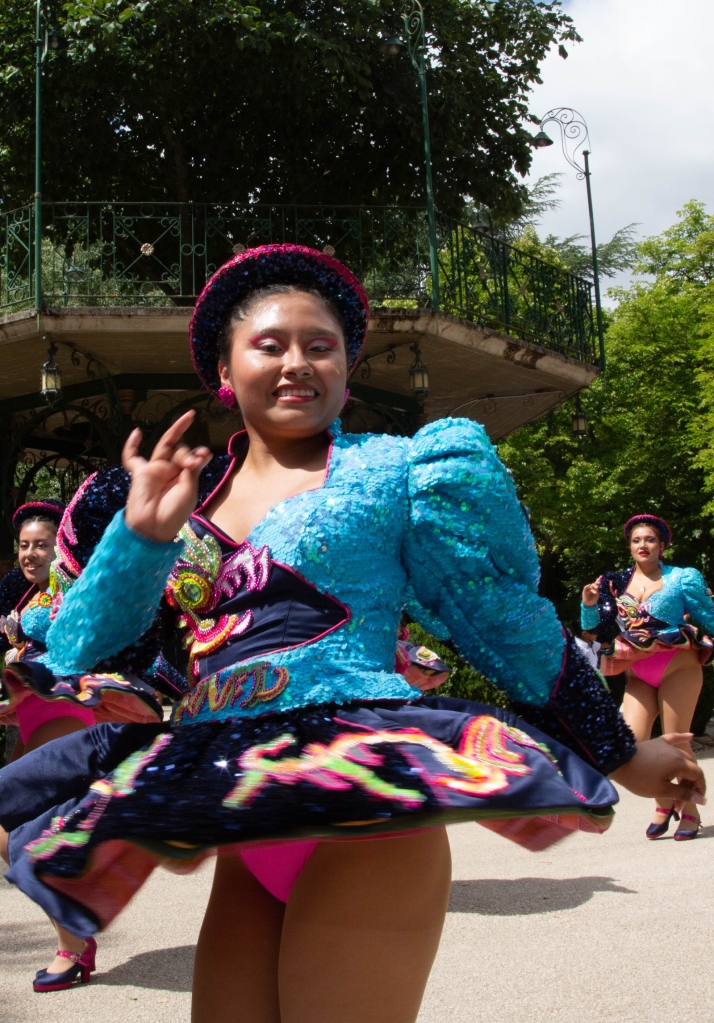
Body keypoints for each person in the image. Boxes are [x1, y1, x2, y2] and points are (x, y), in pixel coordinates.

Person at [0, 246, 704, 1023]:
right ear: (225, 374)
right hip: (249, 807)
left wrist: (618, 748)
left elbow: (502, 621)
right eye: (270, 345)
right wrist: (139, 538)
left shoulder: (398, 471)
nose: (298, 361)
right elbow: (85, 656)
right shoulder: (180, 508)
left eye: (321, 345)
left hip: (370, 801)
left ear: (345, 366)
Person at [0, 497, 187, 992]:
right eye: (24, 546)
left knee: (39, 822)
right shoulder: (19, 596)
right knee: (26, 827)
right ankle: (73, 918)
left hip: (82, 713)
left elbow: (115, 647)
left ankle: (72, 939)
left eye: (42, 544)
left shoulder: (86, 585)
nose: (31, 554)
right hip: (34, 715)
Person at [581, 513, 714, 841]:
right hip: (639, 672)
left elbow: (708, 617)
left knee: (677, 739)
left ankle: (690, 813)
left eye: (650, 540)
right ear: (630, 547)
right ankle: (664, 801)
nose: (644, 545)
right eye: (637, 540)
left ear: (662, 546)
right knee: (634, 745)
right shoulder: (613, 583)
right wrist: (588, 604)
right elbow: (591, 631)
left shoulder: (683, 578)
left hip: (678, 665)